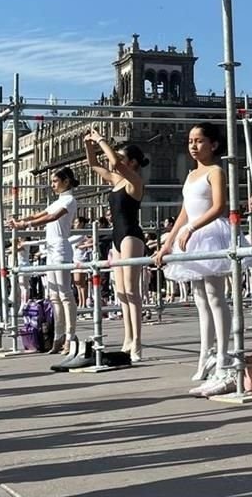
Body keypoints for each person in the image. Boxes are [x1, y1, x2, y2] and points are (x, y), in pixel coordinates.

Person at [155, 123, 235, 394]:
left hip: (209, 232)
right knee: (200, 298)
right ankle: (206, 353)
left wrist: (192, 227)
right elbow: (184, 212)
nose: (193, 145)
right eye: (190, 140)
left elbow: (219, 206)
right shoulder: (191, 175)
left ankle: (223, 354)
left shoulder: (216, 171)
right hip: (191, 234)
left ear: (213, 144)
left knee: (215, 296)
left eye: (199, 141)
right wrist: (167, 243)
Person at [85, 132, 149, 361]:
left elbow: (113, 162)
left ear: (131, 162)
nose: (117, 161)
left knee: (133, 291)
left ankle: (138, 342)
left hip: (131, 235)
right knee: (121, 293)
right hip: (117, 236)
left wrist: (101, 140)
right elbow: (93, 164)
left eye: (123, 157)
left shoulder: (135, 182)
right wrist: (89, 144)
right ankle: (128, 338)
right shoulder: (115, 181)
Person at [9, 168, 79, 356]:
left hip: (61, 249)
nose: (53, 184)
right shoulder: (57, 201)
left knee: (65, 294)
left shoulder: (70, 200)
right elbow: (40, 214)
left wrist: (26, 225)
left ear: (65, 181)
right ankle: (58, 336)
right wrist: (21, 220)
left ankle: (70, 336)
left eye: (55, 181)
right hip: (51, 249)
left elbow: (52, 217)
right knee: (54, 295)